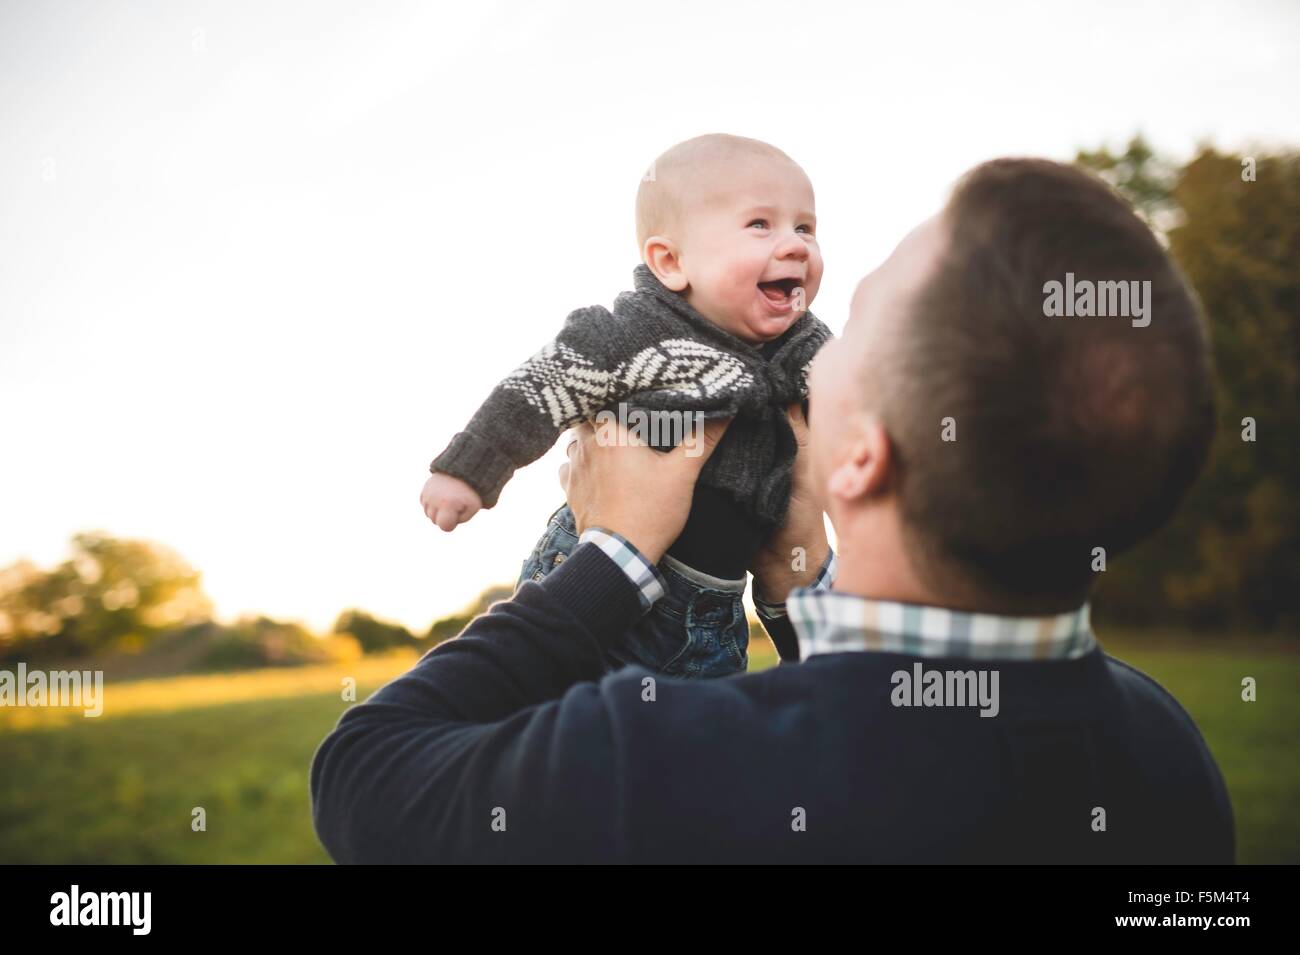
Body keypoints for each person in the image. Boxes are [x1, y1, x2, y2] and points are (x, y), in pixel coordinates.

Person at [312, 157, 1233, 863]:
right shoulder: (1164, 750)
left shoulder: (648, 757)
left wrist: (614, 555)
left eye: (857, 322)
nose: (813, 335)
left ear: (863, 455)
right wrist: (797, 580)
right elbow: (867, 711)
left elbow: (364, 771)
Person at [420, 133, 831, 677]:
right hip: (600, 573)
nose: (795, 245)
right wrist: (470, 470)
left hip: (717, 603)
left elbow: (866, 410)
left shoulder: (805, 347)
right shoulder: (634, 333)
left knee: (689, 741)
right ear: (670, 262)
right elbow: (539, 388)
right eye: (760, 225)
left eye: (805, 227)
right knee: (572, 722)